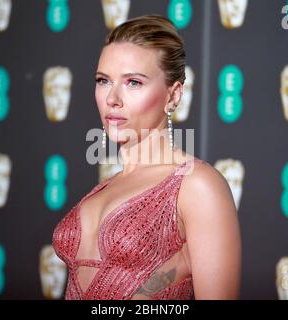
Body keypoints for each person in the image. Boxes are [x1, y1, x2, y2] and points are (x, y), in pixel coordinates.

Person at [52, 14, 241, 300]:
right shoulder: (102, 190)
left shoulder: (196, 185)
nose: (112, 98)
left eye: (133, 83)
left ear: (173, 96)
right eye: (103, 81)